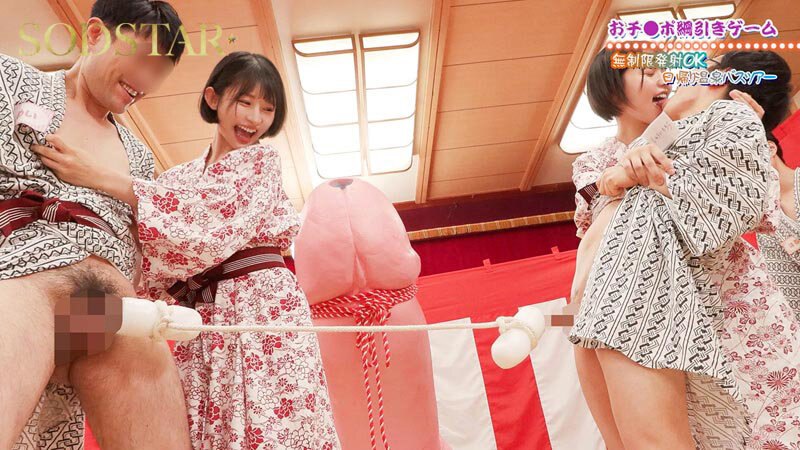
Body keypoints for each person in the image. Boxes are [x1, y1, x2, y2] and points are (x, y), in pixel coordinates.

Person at [34, 51, 341, 449]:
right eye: (245, 101)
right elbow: (150, 246)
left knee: (273, 421)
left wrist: (101, 176)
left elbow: (207, 225)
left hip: (262, 303)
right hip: (203, 313)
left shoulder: (262, 161)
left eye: (267, 108)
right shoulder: (177, 178)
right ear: (213, 98)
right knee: (204, 422)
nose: (254, 118)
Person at [570, 50, 800, 448]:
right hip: (643, 304)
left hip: (728, 306)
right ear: (611, 89)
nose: (666, 79)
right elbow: (596, 210)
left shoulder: (716, 123)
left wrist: (743, 129)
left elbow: (741, 208)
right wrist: (625, 170)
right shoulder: (596, 160)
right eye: (647, 72)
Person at [0, 1, 192, 448]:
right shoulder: (11, 82)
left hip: (117, 314)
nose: (147, 81)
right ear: (94, 34)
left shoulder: (139, 156)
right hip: (26, 284)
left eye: (160, 71)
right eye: (141, 57)